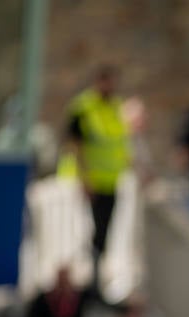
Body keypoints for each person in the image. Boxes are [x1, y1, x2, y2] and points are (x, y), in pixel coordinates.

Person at [66, 65, 132, 287]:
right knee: (90, 232)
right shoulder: (84, 108)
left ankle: (98, 278)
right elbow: (75, 145)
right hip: (91, 181)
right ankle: (89, 280)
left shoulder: (116, 107)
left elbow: (121, 143)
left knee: (105, 232)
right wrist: (83, 178)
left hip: (111, 181)